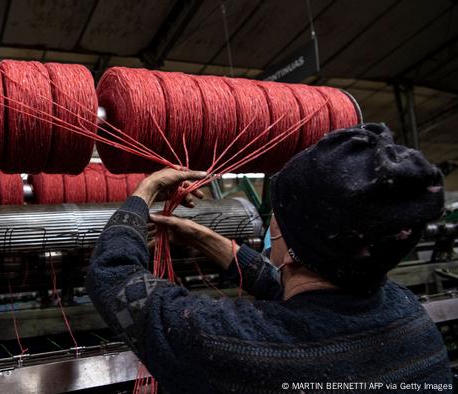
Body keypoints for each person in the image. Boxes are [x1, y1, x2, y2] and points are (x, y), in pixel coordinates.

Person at [86, 123, 450, 393]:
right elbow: (302, 297)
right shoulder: (410, 317)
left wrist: (143, 192)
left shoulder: (236, 347)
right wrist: (200, 237)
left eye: (276, 215)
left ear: (291, 247)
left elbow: (112, 278)